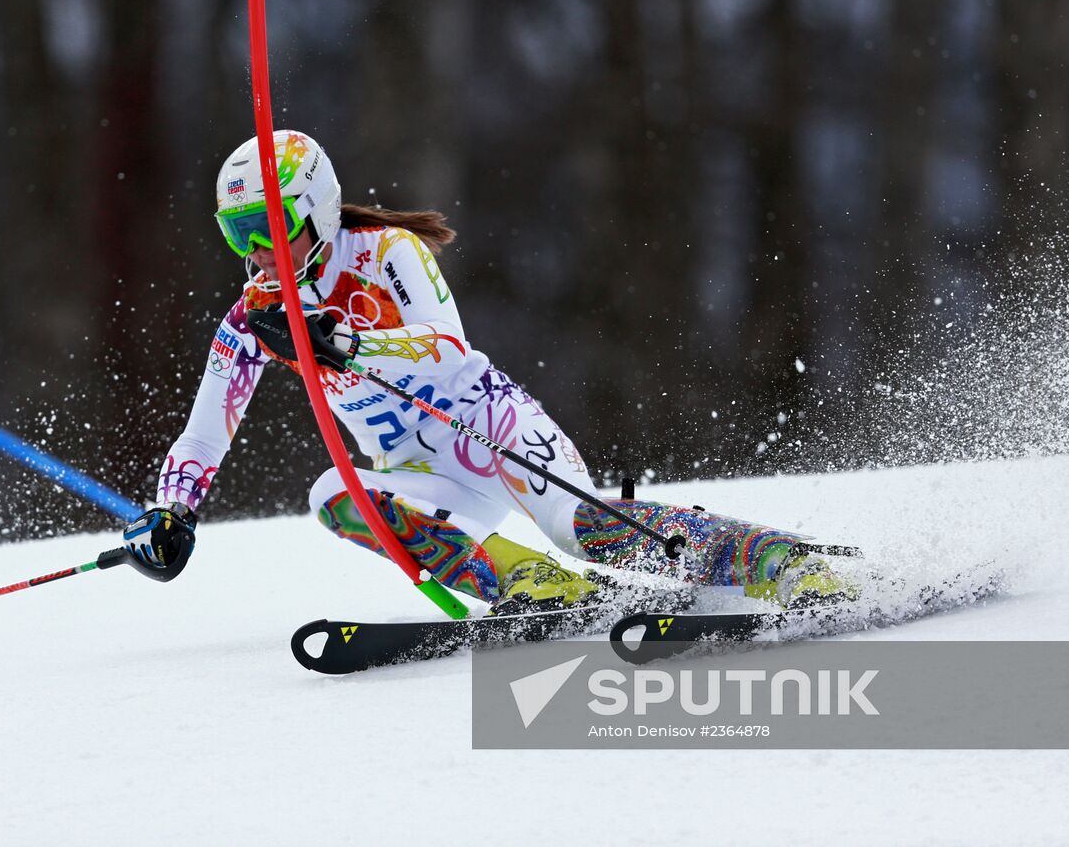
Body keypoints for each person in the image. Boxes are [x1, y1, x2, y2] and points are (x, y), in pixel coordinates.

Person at [123, 130, 858, 611]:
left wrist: (337, 341)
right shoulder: (253, 316)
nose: (258, 251)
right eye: (238, 235)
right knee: (334, 494)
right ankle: (529, 584)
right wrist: (172, 510)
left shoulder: (382, 254)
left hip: (488, 429)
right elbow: (203, 433)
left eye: (271, 227)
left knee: (582, 527)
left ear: (313, 208)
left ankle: (780, 562)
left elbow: (445, 349)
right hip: (426, 476)